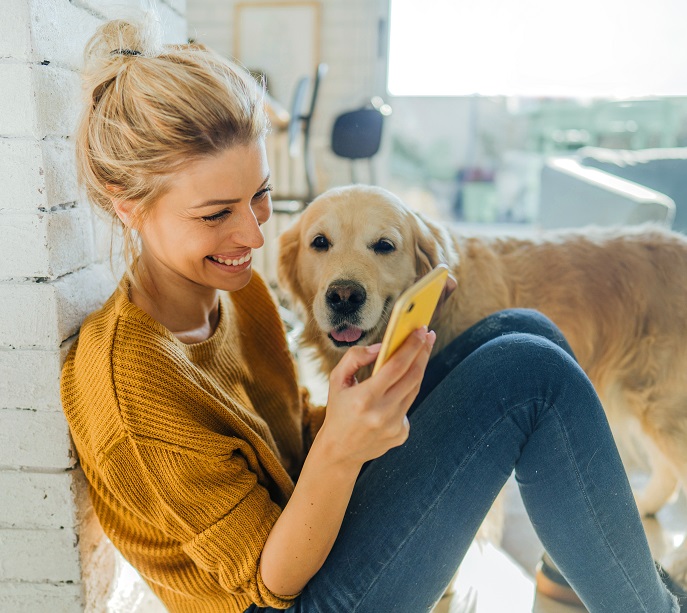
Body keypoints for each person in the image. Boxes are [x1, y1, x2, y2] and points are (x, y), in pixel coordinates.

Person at [60, 12, 687, 613]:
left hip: (314, 538)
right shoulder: (131, 385)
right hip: (288, 598)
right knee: (527, 373)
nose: (252, 236)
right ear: (127, 205)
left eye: (261, 198)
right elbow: (268, 582)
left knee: (519, 333)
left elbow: (285, 435)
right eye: (216, 214)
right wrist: (342, 445)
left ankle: (588, 570)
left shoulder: (233, 289)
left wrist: (352, 415)